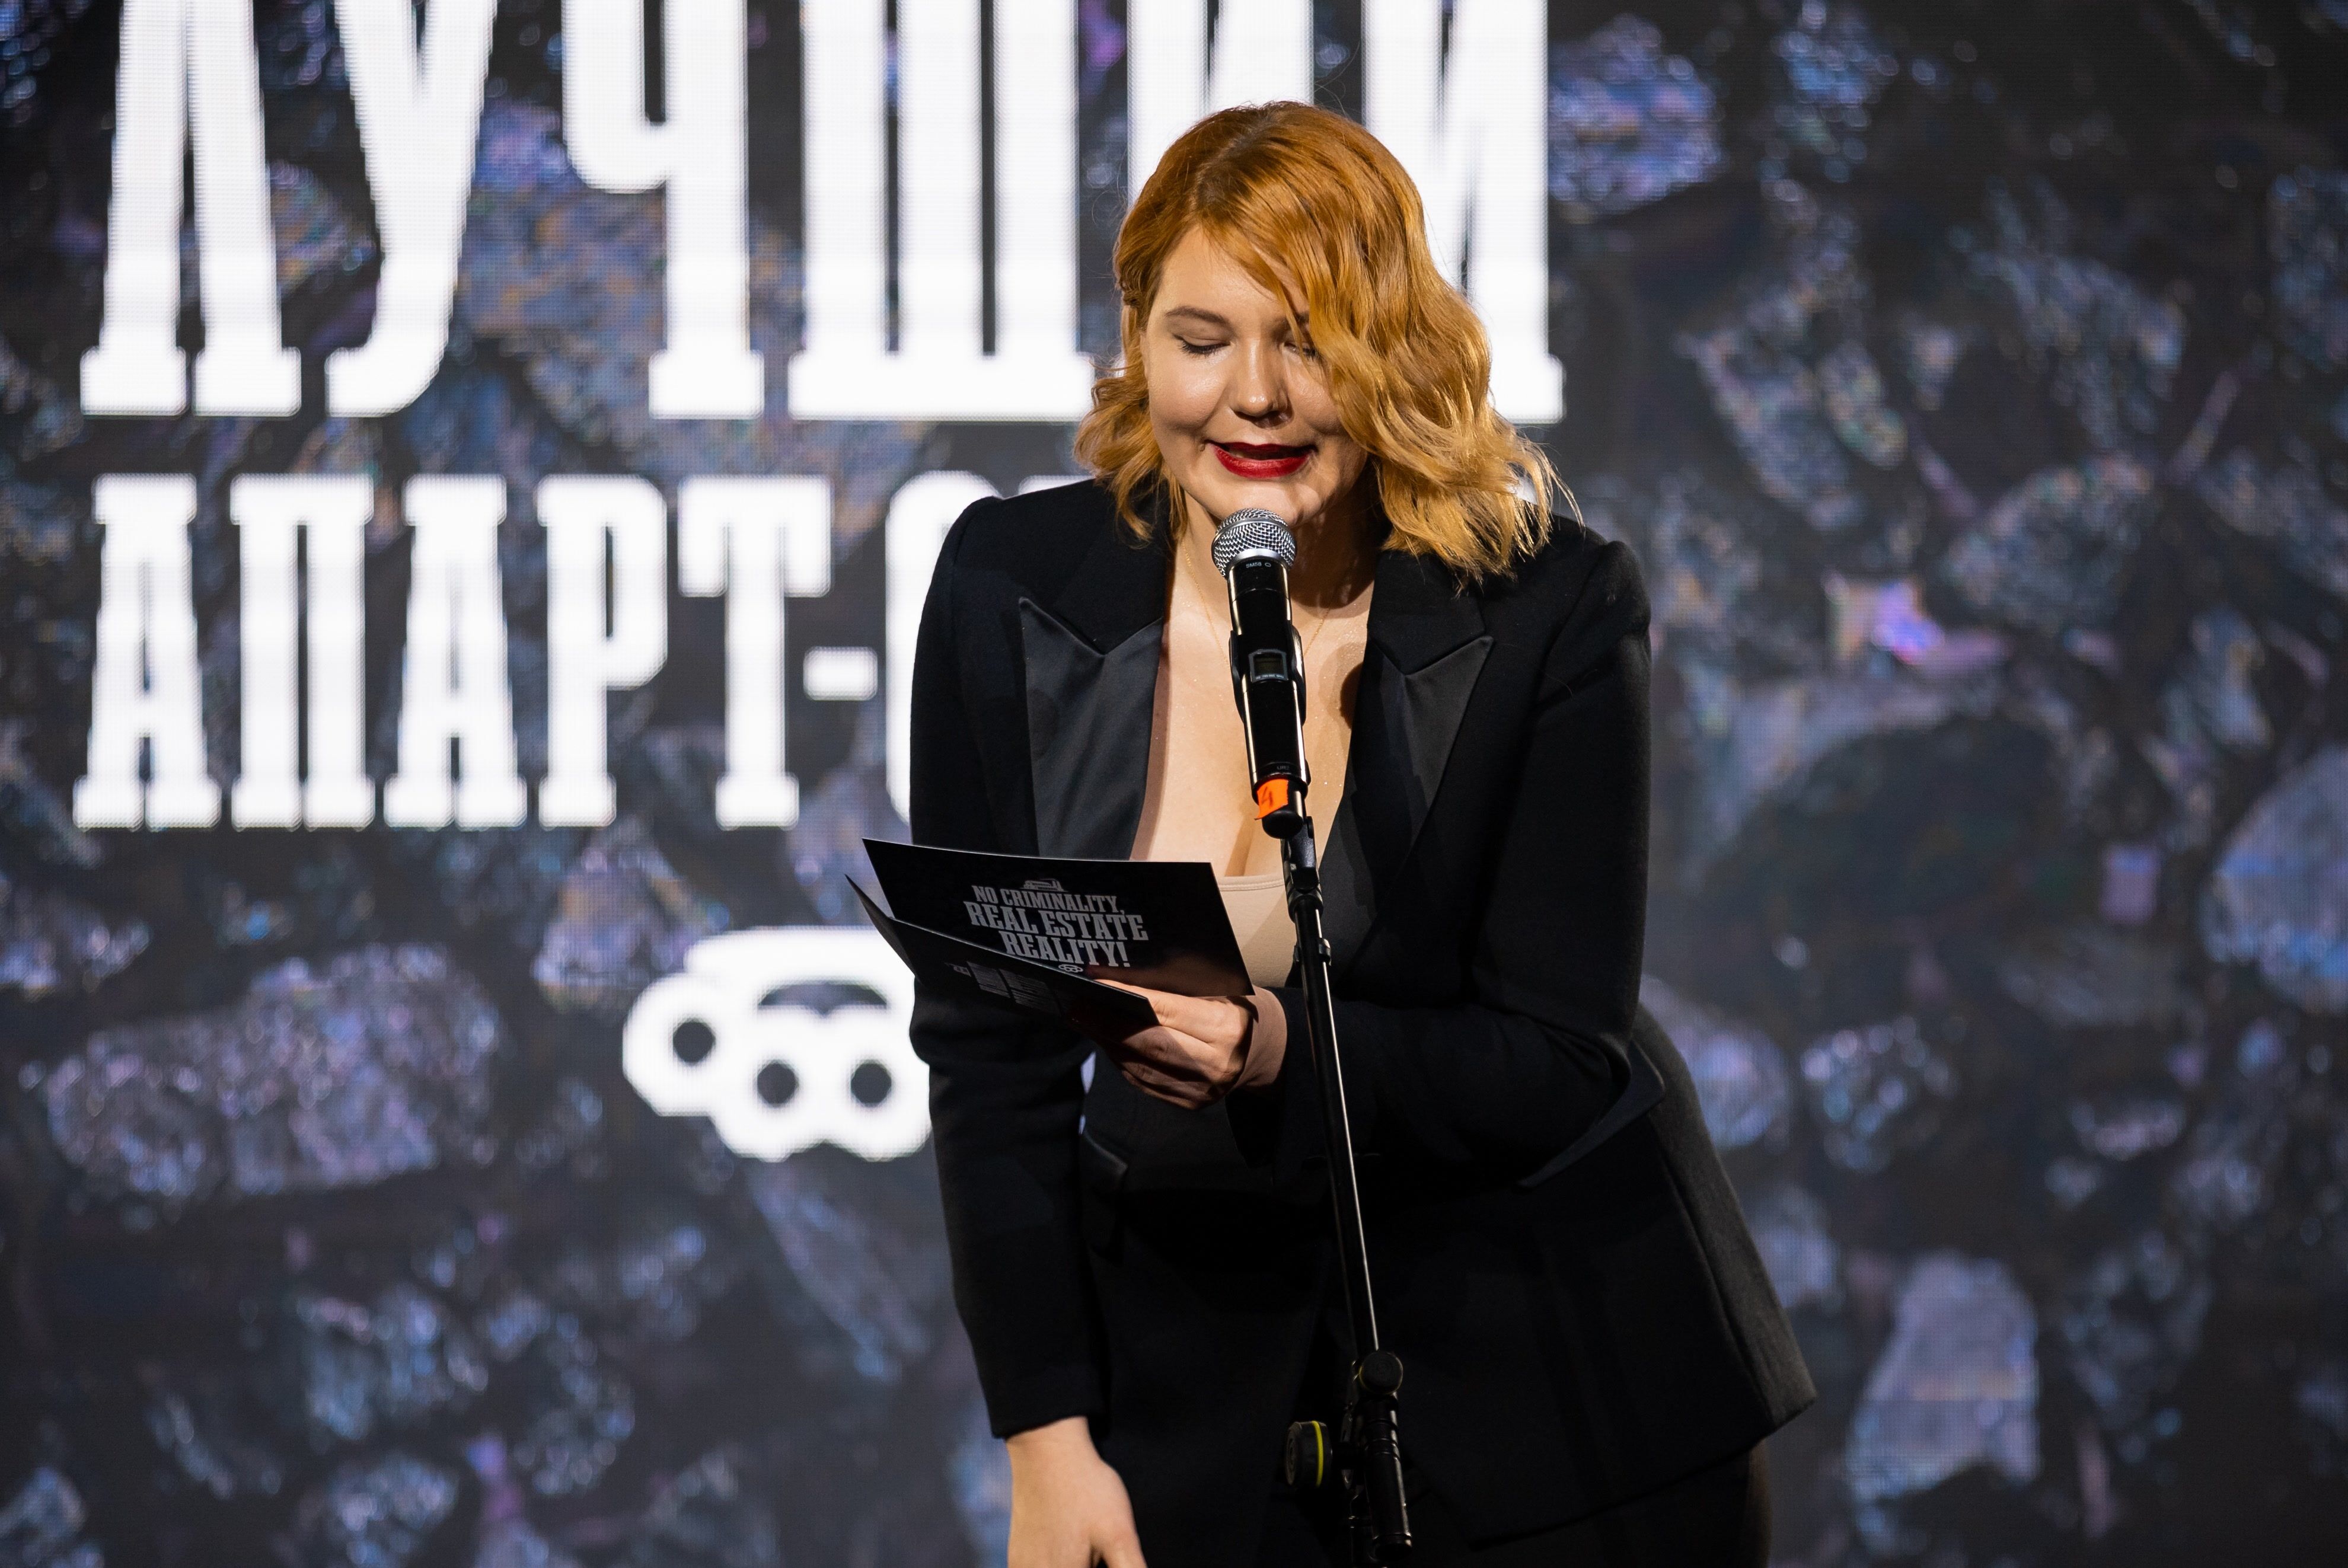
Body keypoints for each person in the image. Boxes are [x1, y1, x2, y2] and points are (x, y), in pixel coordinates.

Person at [905, 102, 1813, 1568]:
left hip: (1553, 1383)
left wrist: (1277, 1049)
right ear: (1139, 346)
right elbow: (987, 1057)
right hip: (1203, 1390)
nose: (1254, 396)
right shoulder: (1009, 589)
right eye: (1203, 340)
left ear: (1393, 348)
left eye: (1311, 340)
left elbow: (1555, 1056)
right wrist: (1048, 1441)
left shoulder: (1548, 606)